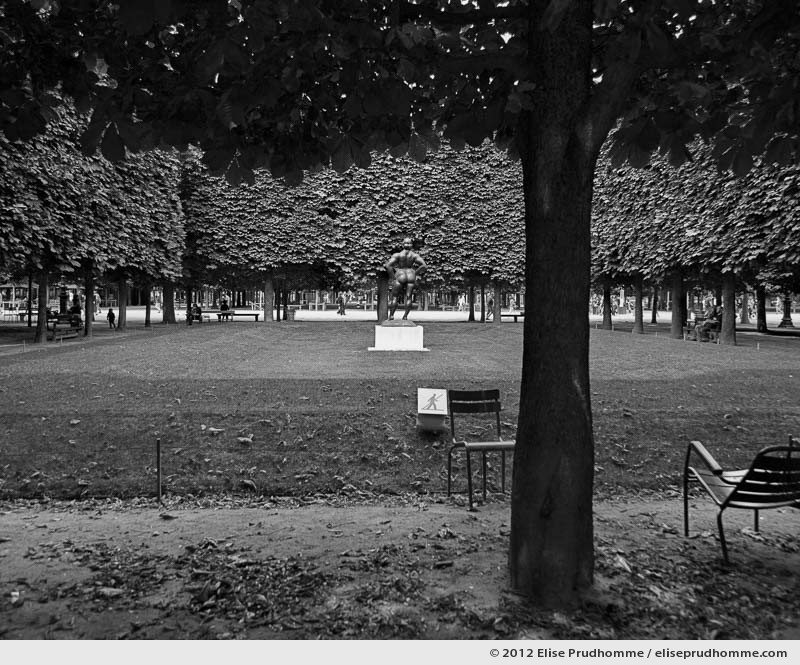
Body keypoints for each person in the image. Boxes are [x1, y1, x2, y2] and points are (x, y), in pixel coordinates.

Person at [385, 237, 427, 320]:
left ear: (402, 245)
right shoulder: (414, 255)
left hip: (401, 274)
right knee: (408, 297)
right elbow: (424, 266)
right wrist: (415, 272)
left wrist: (393, 277)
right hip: (410, 275)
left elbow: (388, 266)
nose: (408, 244)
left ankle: (391, 315)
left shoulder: (398, 255)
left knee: (394, 297)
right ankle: (405, 317)